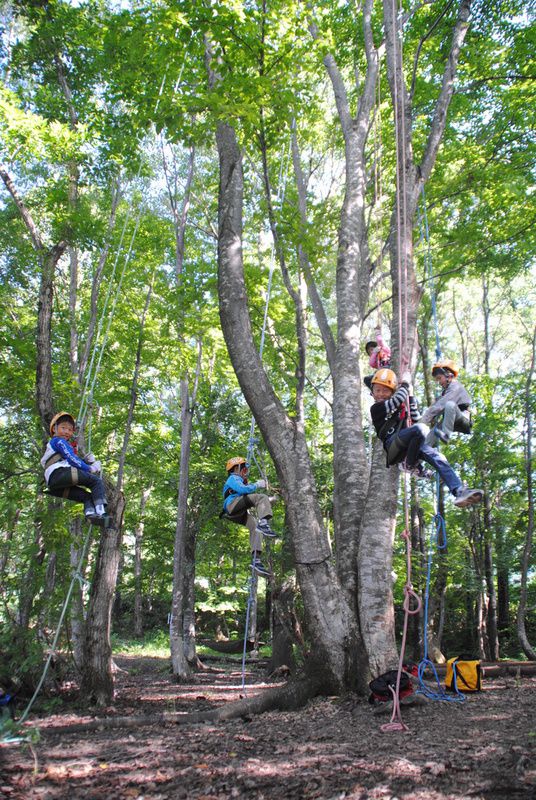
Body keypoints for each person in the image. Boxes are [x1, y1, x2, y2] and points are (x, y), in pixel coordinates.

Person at [369, 369, 483, 508]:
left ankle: (458, 491)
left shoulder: (400, 406)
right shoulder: (377, 408)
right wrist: (405, 384)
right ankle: (410, 465)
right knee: (421, 429)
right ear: (372, 393)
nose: (381, 394)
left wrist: (410, 399)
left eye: (385, 391)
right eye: (377, 390)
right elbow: (398, 400)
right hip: (393, 446)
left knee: (438, 457)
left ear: (391, 392)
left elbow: (416, 418)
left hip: (410, 445)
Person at [41, 412, 109, 527]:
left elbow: (69, 459)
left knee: (86, 496)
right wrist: (90, 468)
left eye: (70, 429)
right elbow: (72, 459)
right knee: (95, 481)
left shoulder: (53, 447)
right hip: (60, 473)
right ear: (54, 429)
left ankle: (91, 514)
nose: (66, 432)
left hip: (54, 484)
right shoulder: (59, 441)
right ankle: (102, 513)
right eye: (63, 428)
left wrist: (85, 461)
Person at [222, 456, 277, 576]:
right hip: (232, 505)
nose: (244, 472)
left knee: (254, 526)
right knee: (261, 497)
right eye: (244, 470)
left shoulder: (238, 480)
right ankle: (264, 523)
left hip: (236, 512)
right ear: (236, 468)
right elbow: (243, 490)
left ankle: (256, 560)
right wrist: (257, 484)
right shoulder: (233, 478)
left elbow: (248, 498)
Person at [422, 359, 473, 447]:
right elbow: (435, 405)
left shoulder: (456, 387)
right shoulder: (446, 392)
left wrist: (423, 421)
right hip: (450, 421)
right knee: (432, 434)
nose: (439, 382)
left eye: (439, 378)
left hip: (462, 418)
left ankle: (446, 435)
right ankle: (420, 453)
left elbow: (440, 405)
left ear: (448, 375)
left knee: (450, 405)